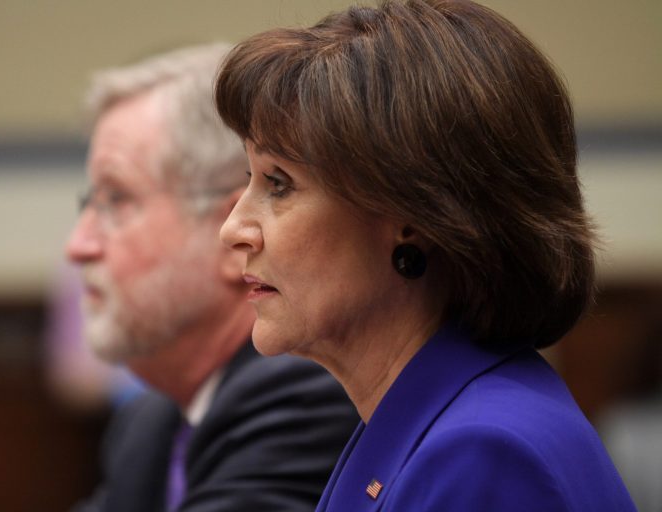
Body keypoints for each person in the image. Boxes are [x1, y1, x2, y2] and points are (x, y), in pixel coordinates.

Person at [214, 1, 637, 510]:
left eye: (278, 184)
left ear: (411, 217)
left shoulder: (482, 453)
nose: (233, 229)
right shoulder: (426, 421)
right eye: (250, 180)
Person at [65, 43, 358, 512]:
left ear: (229, 235)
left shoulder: (302, 395)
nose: (77, 246)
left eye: (115, 199)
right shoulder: (150, 421)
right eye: (88, 205)